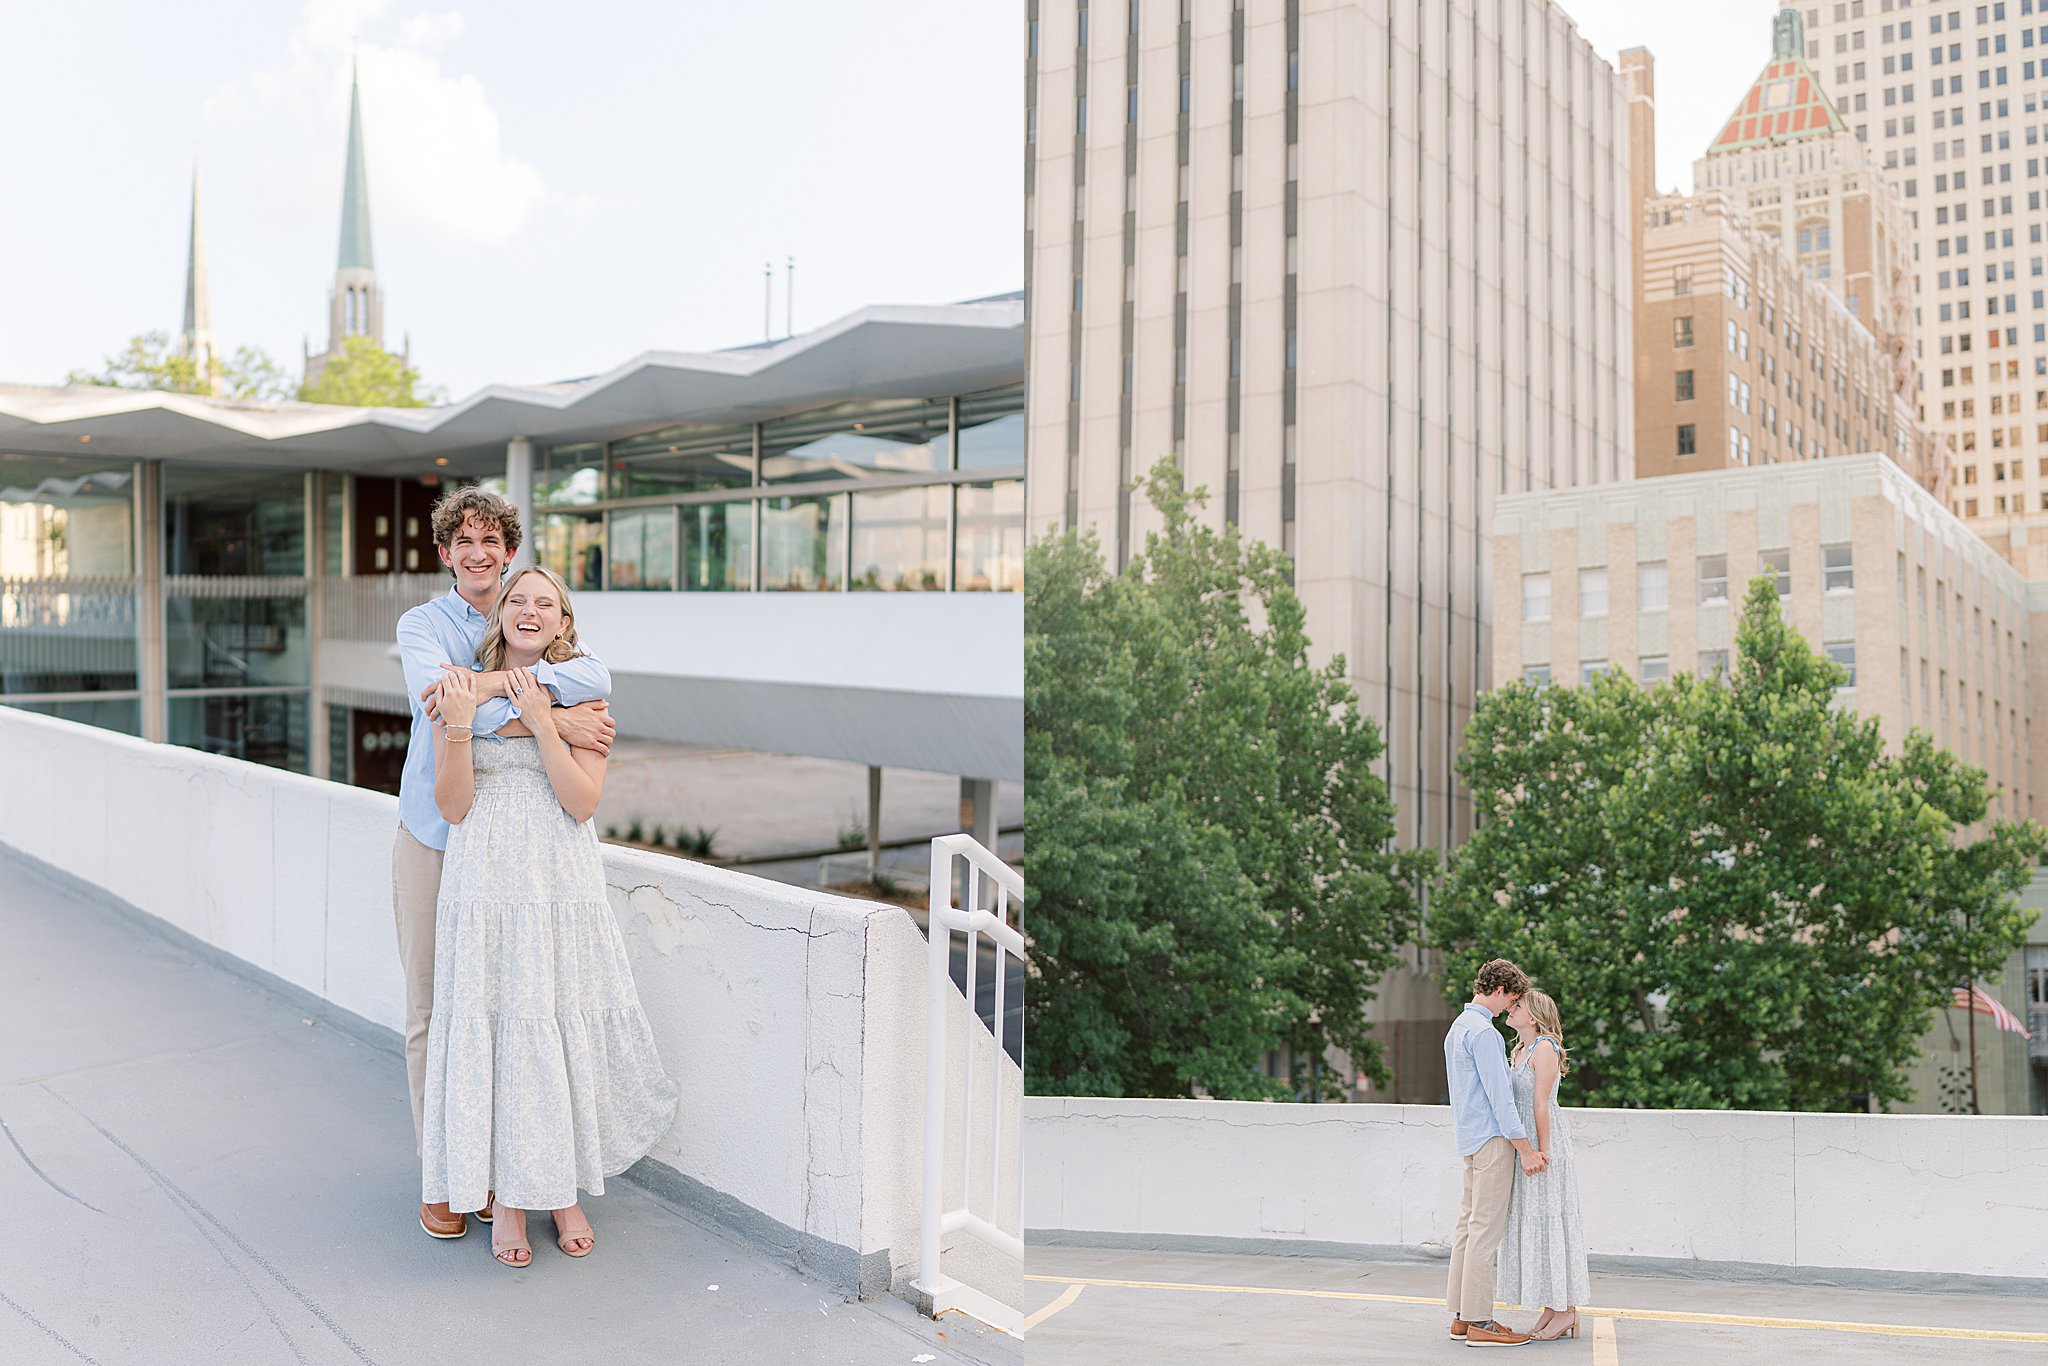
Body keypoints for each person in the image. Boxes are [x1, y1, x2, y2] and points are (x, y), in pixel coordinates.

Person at [420, 566, 679, 1268]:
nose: (530, 612)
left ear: (564, 624)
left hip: (557, 883)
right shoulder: (459, 688)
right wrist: (461, 728)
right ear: (500, 613)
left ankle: (561, 1190)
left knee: (553, 1024)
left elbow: (581, 802)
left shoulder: (587, 700)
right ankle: (506, 1197)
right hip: (484, 885)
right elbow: (453, 806)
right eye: (518, 601)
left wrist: (542, 725)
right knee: (500, 1025)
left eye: (547, 605)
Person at [393, 488, 617, 1242]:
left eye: (492, 540)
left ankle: (505, 1169)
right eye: (464, 541)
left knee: (517, 1013)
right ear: (445, 552)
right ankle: (444, 1179)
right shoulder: (422, 624)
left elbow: (595, 681)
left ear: (510, 551)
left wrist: (488, 692)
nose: (478, 552)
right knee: (435, 1009)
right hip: (437, 833)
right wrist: (547, 712)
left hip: (517, 858)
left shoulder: (524, 612)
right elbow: (440, 705)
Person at [1443, 958, 1546, 1348]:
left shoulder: (1457, 1028)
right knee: (1485, 1233)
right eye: (1512, 1000)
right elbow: (1500, 1100)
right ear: (1500, 990)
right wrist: (1526, 1148)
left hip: (1469, 1140)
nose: (1509, 1009)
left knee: (1468, 1229)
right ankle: (1481, 1323)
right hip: (1491, 1142)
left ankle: (1461, 1317)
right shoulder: (1484, 1034)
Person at [1497, 989, 1590, 1341]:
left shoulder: (1545, 1048)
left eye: (1517, 1006)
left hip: (1543, 1143)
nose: (1510, 1008)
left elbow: (1540, 1104)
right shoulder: (1518, 1050)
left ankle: (1566, 1312)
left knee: (1551, 1223)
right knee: (1535, 1222)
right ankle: (1552, 1309)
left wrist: (1542, 1152)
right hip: (1527, 1143)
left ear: (1533, 1016)